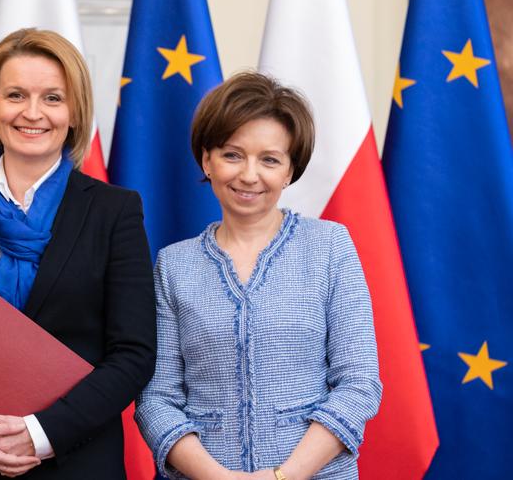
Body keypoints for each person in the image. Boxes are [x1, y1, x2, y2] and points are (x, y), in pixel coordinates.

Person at [0, 28, 156, 479]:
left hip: (77, 461)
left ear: (75, 112)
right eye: (16, 95)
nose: (33, 113)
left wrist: (40, 433)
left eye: (53, 98)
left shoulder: (115, 211)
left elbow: (132, 354)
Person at [135, 72, 382, 479]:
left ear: (289, 171)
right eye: (233, 155)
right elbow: (156, 399)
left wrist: (281, 476)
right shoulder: (173, 265)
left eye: (270, 159)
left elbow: (358, 385)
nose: (249, 175)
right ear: (206, 160)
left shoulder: (330, 246)